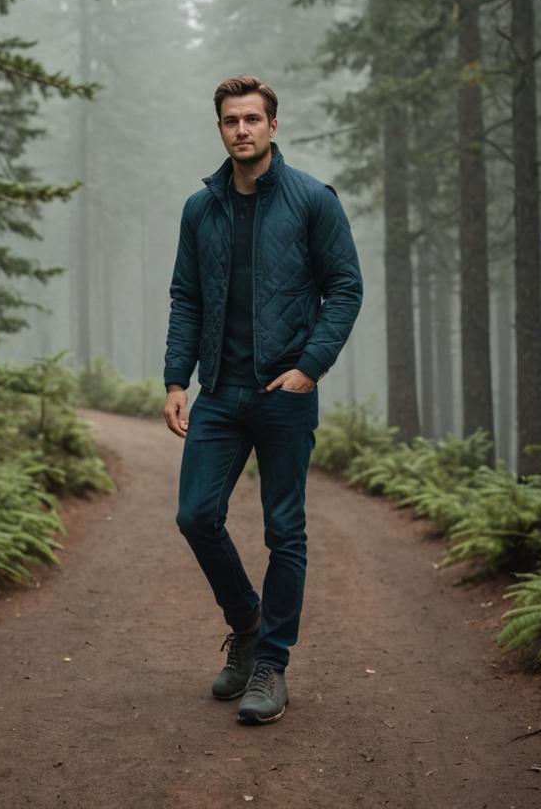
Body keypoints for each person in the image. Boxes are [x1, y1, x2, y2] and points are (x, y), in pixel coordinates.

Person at [163, 75, 363, 725]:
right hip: (220, 390)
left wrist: (310, 367)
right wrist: (175, 379)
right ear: (219, 129)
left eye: (253, 118)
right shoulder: (202, 209)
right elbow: (187, 297)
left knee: (285, 531)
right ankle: (247, 625)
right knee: (196, 516)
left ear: (274, 126)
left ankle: (271, 665)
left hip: (284, 393)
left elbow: (345, 287)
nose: (242, 129)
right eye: (230, 120)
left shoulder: (311, 201)